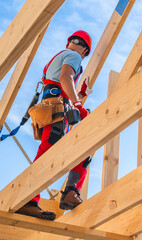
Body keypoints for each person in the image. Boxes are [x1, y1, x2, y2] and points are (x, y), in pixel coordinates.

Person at [15, 30, 93, 220]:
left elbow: (62, 84)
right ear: (85, 52)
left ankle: (69, 193)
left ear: (69, 42)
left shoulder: (61, 55)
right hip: (57, 111)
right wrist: (78, 104)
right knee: (48, 154)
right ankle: (29, 200)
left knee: (79, 150)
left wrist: (80, 94)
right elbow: (65, 78)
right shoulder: (74, 56)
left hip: (52, 109)